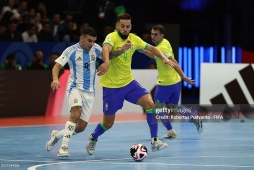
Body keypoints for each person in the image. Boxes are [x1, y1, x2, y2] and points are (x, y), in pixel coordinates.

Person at [85, 13, 177, 155]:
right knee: (108, 123)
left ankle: (154, 141)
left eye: (128, 27)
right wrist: (107, 61)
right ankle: (93, 137)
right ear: (117, 25)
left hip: (129, 83)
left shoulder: (134, 39)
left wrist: (164, 57)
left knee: (150, 104)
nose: (125, 29)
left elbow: (152, 48)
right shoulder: (112, 37)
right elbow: (106, 49)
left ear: (131, 27)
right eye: (122, 26)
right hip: (112, 87)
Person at [45, 26, 109, 157]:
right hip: (75, 88)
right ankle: (63, 148)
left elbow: (110, 56)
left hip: (90, 93)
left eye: (94, 41)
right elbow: (56, 66)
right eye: (89, 41)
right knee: (75, 113)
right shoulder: (71, 50)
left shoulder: (96, 49)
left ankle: (57, 135)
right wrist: (55, 79)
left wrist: (122, 50)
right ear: (82, 38)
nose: (92, 44)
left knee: (80, 127)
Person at [140, 24, 203, 138]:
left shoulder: (162, 48)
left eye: (155, 35)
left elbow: (173, 62)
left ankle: (170, 131)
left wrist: (184, 76)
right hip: (175, 82)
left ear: (161, 35)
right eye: (152, 34)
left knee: (158, 108)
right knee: (174, 106)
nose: (152, 37)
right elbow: (154, 54)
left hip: (166, 83)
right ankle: (194, 117)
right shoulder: (165, 42)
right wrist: (140, 49)